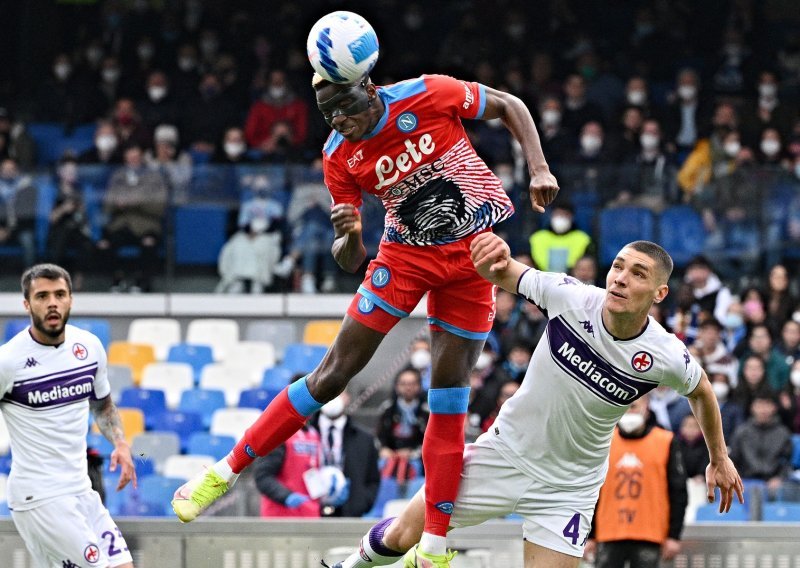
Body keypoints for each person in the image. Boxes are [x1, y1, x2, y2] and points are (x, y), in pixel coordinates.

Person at [172, 38, 559, 568]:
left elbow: (510, 106)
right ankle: (224, 471)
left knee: (447, 397)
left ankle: (435, 549)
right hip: (403, 258)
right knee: (330, 376)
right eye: (327, 112)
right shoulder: (337, 155)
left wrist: (537, 167)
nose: (339, 119)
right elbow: (347, 259)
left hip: (473, 258)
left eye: (345, 106)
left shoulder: (428, 93)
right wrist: (349, 236)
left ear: (368, 88)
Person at [328, 232, 743, 568]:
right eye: (618, 266)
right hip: (504, 453)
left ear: (659, 293)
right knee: (404, 533)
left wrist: (719, 458)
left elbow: (702, 391)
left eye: (638, 274)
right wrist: (494, 253)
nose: (620, 278)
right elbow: (503, 271)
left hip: (568, 487)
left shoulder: (665, 354)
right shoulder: (571, 297)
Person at [0, 264, 136, 567]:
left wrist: (121, 444)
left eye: (60, 294)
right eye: (42, 296)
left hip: (81, 490)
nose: (52, 302)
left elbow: (103, 406)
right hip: (40, 499)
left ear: (70, 300)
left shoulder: (88, 348)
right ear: (27, 304)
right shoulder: (8, 361)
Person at [585, 395, 688, 568]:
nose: (628, 412)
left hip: (649, 533)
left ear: (646, 407)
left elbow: (678, 492)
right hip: (609, 532)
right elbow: (591, 492)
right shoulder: (603, 441)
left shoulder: (665, 441)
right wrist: (590, 535)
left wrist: (674, 535)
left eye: (633, 406)